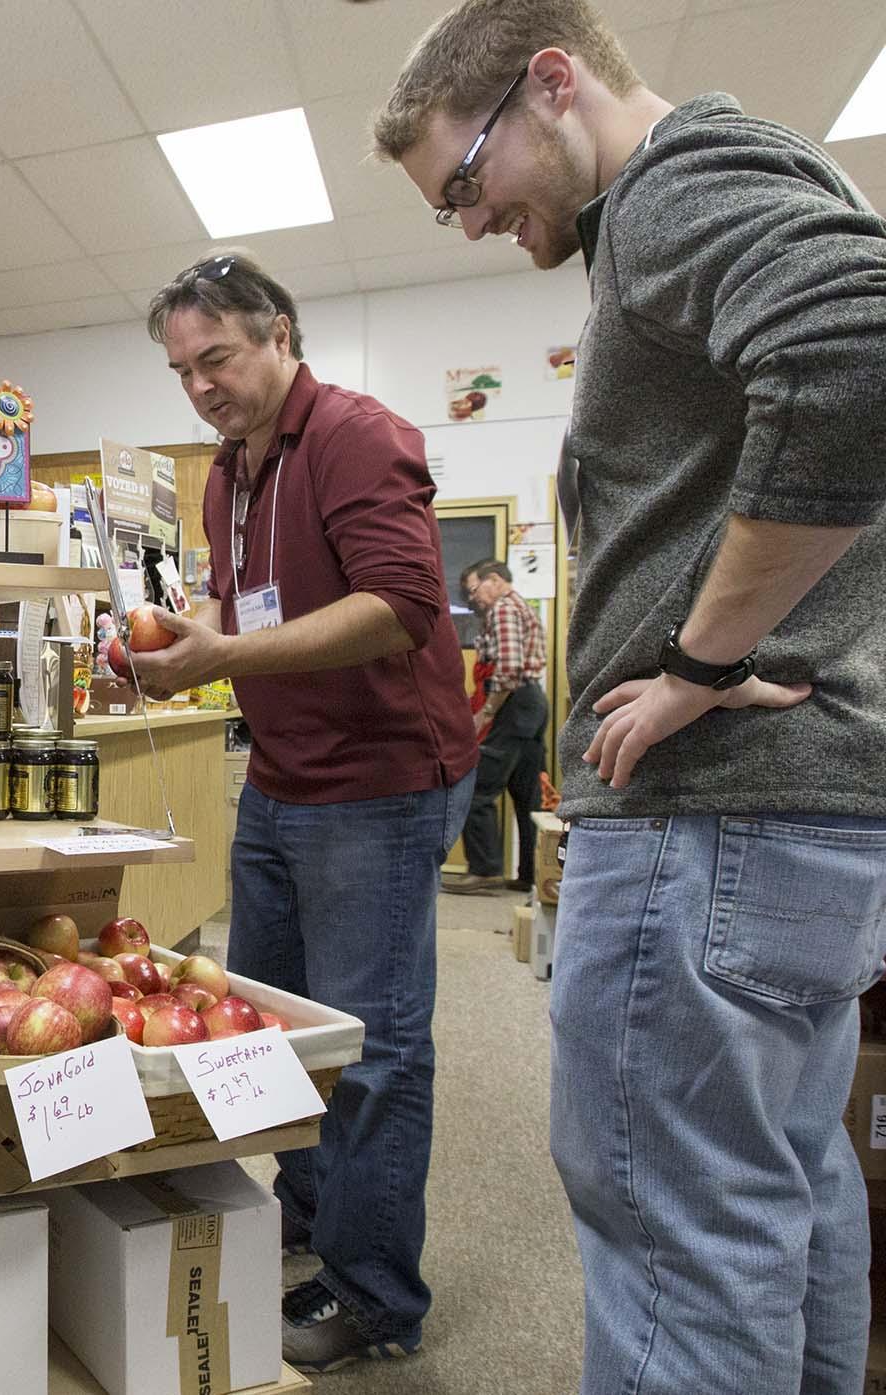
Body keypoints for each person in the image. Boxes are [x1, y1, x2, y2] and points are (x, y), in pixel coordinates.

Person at [372, 3, 886, 1391]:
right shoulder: (742, 187)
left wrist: (704, 660)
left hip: (707, 818)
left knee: (676, 1221)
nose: (469, 222)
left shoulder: (677, 183)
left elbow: (857, 350)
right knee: (784, 1191)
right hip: (806, 814)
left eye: (465, 182)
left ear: (553, 87)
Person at [128, 253, 477, 1373]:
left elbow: (403, 604)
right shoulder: (230, 471)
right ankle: (311, 1214)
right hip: (282, 779)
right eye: (182, 371)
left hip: (377, 785)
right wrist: (189, 633)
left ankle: (377, 1294)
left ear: (281, 332)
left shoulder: (356, 436)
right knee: (272, 1028)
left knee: (372, 1047)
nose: (201, 387)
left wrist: (225, 651)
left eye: (216, 358)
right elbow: (246, 604)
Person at [446, 557, 547, 894]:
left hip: (512, 703)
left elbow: (508, 669)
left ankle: (485, 869)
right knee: (528, 794)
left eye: (474, 590)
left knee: (477, 789)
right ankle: (531, 874)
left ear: (493, 580)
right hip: (532, 704)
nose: (472, 599)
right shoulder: (520, 608)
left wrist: (486, 712)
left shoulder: (503, 609)